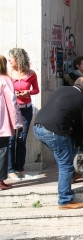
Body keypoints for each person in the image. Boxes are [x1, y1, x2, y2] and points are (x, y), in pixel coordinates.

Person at [33, 77, 83, 210]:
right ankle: (65, 200)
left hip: (38, 128)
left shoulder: (60, 89)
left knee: (68, 152)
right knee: (65, 164)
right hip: (54, 132)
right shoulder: (82, 101)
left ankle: (72, 176)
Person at [7, 48, 39, 180]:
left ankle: (21, 168)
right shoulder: (8, 74)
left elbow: (36, 89)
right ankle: (10, 170)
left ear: (18, 59)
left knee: (22, 139)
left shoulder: (31, 73)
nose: (9, 61)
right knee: (11, 140)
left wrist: (28, 93)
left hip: (26, 109)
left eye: (11, 59)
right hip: (13, 109)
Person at [0, 55, 23, 190]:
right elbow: (12, 102)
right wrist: (17, 122)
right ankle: (0, 180)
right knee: (2, 149)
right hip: (2, 121)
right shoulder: (5, 80)